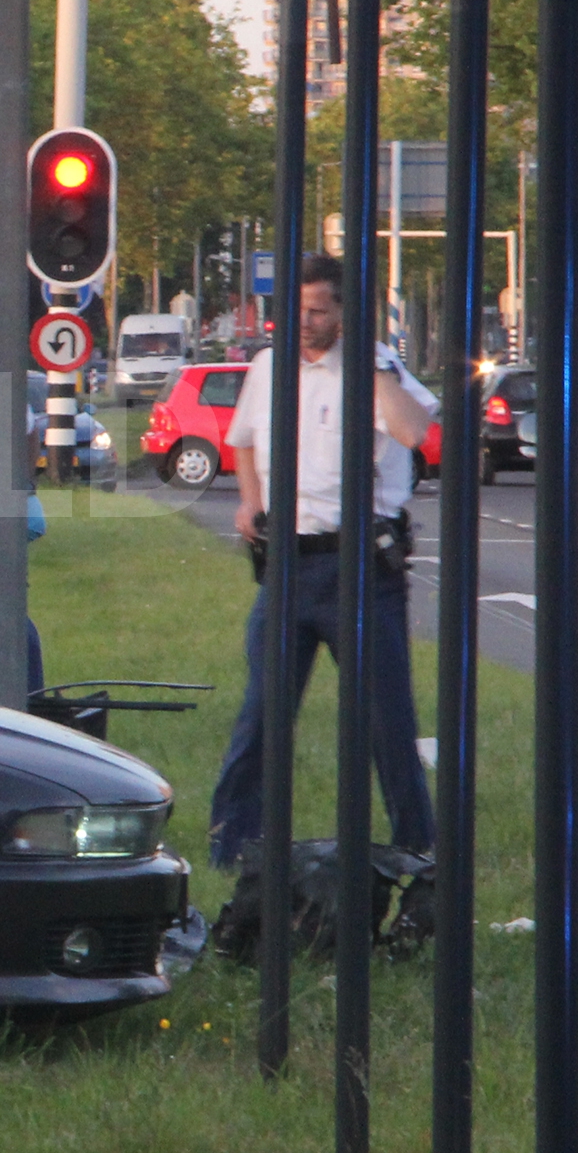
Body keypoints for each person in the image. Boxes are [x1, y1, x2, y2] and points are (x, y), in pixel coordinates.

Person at [205, 254, 440, 866]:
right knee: (262, 714)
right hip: (287, 565)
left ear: (344, 313)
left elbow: (414, 431)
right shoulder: (268, 368)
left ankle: (418, 847)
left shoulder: (374, 369)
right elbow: (244, 442)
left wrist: (369, 365)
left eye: (317, 311)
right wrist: (250, 503)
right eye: (295, 309)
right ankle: (233, 846)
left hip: (359, 568)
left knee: (386, 718)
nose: (303, 322)